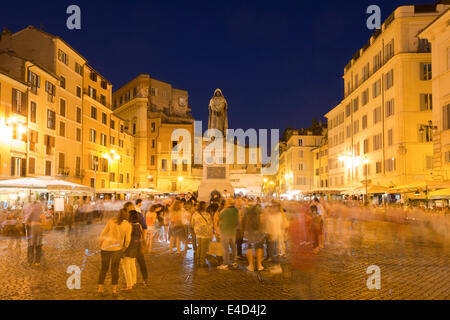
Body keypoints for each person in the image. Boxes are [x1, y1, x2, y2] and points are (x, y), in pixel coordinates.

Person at [98, 208, 132, 297]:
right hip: (117, 249)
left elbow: (103, 233)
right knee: (115, 269)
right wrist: (124, 248)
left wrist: (101, 244)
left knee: (103, 269)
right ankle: (114, 290)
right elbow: (128, 240)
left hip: (105, 248)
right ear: (127, 215)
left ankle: (100, 289)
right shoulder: (128, 225)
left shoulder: (111, 221)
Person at [122, 210, 147, 291]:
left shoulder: (129, 226)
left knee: (126, 266)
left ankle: (129, 285)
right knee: (132, 264)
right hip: (136, 247)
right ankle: (134, 281)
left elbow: (127, 239)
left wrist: (124, 248)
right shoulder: (139, 225)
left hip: (129, 248)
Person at [241, 199, 265, 272]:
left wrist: (243, 229)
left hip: (249, 230)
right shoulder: (259, 208)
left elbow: (242, 219)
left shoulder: (245, 208)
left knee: (250, 247)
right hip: (258, 229)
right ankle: (259, 265)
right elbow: (262, 219)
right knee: (259, 246)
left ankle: (251, 265)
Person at [217, 198, 239, 270]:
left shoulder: (224, 211)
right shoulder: (236, 211)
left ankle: (225, 263)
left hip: (225, 232)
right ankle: (234, 262)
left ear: (228, 203)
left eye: (226, 202)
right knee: (233, 247)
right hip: (233, 232)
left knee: (225, 249)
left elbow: (219, 219)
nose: (225, 203)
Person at [191, 201, 213, 267]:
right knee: (203, 248)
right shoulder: (207, 214)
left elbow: (192, 223)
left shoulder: (195, 214)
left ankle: (198, 261)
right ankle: (202, 262)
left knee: (199, 247)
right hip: (205, 232)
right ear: (204, 207)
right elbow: (211, 224)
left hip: (198, 232)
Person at [24, 201, 46, 266]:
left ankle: (30, 261)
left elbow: (26, 221)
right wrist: (40, 224)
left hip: (32, 231)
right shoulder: (41, 213)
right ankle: (37, 261)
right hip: (38, 231)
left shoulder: (31, 212)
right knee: (38, 246)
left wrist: (31, 224)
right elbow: (44, 222)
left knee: (31, 245)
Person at [265, 202, 283, 274]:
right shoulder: (277, 215)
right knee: (272, 251)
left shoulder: (277, 215)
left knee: (273, 252)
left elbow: (273, 224)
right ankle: (275, 266)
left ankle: (277, 267)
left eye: (273, 207)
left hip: (273, 235)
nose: (272, 208)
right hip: (272, 234)